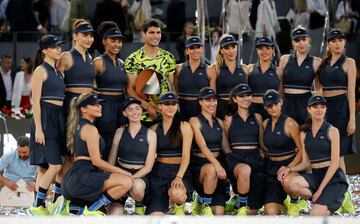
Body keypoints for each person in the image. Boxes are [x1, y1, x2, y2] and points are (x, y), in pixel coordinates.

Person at [60, 93, 133, 216]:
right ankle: (92, 210)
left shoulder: (79, 126)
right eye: (94, 104)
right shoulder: (90, 129)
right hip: (82, 179)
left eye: (99, 104)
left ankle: (78, 208)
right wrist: (123, 172)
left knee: (115, 180)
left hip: (73, 181)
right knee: (126, 181)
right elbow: (96, 161)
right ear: (83, 109)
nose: (99, 107)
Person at [279, 95, 348, 216]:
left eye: (322, 107)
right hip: (316, 175)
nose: (319, 109)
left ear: (326, 109)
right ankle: (325, 202)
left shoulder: (332, 131)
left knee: (314, 216)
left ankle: (334, 198)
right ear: (309, 109)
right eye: (315, 107)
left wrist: (319, 191)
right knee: (292, 183)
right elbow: (305, 163)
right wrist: (289, 168)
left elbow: (335, 164)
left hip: (333, 178)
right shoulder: (304, 133)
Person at [28, 34, 66, 215]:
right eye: (55, 46)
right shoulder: (40, 71)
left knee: (44, 167)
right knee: (55, 166)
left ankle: (42, 206)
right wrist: (39, 129)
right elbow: (35, 102)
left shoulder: (59, 71)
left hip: (59, 118)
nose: (59, 49)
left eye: (60, 46)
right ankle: (37, 205)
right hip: (45, 119)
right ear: (45, 50)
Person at [107, 97, 156, 215]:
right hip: (121, 172)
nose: (135, 112)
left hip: (140, 175)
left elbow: (148, 167)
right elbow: (111, 162)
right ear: (125, 113)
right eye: (130, 110)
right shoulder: (120, 132)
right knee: (114, 214)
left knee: (137, 187)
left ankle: (138, 207)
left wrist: (129, 180)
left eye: (137, 108)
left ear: (141, 110)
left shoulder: (150, 134)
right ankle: (120, 203)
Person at [316, 29, 356, 172]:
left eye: (340, 40)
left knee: (338, 155)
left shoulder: (349, 62)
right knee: (326, 152)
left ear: (345, 42)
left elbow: (351, 92)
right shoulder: (323, 64)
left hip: (341, 109)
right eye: (333, 41)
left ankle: (344, 191)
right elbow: (318, 90)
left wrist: (352, 119)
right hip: (325, 109)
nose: (337, 44)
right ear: (328, 44)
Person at [147, 92, 193, 215]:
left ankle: (179, 207)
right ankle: (165, 205)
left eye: (174, 104)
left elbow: (186, 156)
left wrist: (179, 176)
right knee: (155, 215)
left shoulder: (184, 126)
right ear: (160, 106)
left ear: (177, 107)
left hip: (179, 170)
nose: (171, 107)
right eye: (167, 104)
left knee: (177, 194)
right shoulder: (153, 129)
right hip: (159, 172)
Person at [124, 18, 176, 127]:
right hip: (142, 116)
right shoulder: (133, 59)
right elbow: (130, 89)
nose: (156, 36)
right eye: (151, 32)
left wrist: (172, 108)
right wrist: (148, 107)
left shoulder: (169, 57)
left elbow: (172, 87)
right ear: (143, 34)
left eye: (158, 32)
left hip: (166, 115)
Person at [223, 84, 265, 215]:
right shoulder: (229, 118)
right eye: (241, 96)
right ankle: (241, 206)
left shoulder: (257, 117)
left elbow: (262, 141)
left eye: (248, 95)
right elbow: (225, 142)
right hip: (236, 158)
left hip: (255, 157)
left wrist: (263, 154)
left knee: (253, 211)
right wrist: (230, 156)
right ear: (234, 99)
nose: (245, 98)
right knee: (244, 170)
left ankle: (240, 201)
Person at [189, 87, 231, 216]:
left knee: (219, 213)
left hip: (217, 163)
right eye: (208, 100)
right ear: (200, 102)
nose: (212, 103)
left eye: (214, 100)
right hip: (201, 164)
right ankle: (204, 204)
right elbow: (203, 147)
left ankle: (204, 200)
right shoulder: (194, 120)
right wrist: (217, 166)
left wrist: (232, 166)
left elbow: (226, 147)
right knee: (212, 169)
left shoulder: (219, 121)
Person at [261, 89, 302, 215]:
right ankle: (282, 201)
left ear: (281, 103)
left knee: (288, 182)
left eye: (276, 104)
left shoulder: (290, 123)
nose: (273, 108)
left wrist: (289, 168)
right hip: (272, 169)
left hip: (289, 165)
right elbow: (265, 147)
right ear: (265, 107)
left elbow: (301, 150)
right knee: (270, 212)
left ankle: (295, 201)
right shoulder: (265, 123)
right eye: (269, 105)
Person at [93, 21, 127, 160]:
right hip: (105, 108)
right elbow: (88, 87)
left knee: (118, 144)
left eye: (119, 41)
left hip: (120, 108)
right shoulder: (98, 62)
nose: (117, 44)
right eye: (113, 40)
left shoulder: (122, 63)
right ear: (104, 41)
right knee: (105, 144)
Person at [278, 26, 322, 125]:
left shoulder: (316, 62)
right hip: (287, 103)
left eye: (303, 39)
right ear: (293, 43)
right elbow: (280, 83)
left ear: (309, 40)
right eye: (297, 40)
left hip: (305, 103)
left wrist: (316, 108)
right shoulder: (284, 59)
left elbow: (318, 88)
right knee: (286, 137)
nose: (301, 43)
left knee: (305, 136)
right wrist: (280, 101)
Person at [57, 19, 95, 119]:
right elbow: (56, 84)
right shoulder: (66, 56)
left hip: (89, 106)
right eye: (85, 35)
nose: (89, 39)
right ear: (75, 36)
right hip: (72, 106)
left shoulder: (90, 58)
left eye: (91, 36)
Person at [174, 36, 216, 121]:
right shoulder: (178, 68)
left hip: (201, 108)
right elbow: (175, 91)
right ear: (186, 51)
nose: (195, 51)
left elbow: (213, 95)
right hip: (182, 108)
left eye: (198, 47)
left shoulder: (210, 70)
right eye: (192, 48)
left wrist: (212, 115)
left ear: (202, 49)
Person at [208, 34, 249, 119]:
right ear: (221, 50)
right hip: (222, 109)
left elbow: (248, 94)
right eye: (227, 48)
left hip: (240, 109)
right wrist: (212, 117)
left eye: (233, 47)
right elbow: (213, 95)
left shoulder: (244, 68)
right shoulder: (215, 69)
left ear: (237, 47)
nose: (231, 51)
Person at [248, 37, 281, 119]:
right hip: (253, 109)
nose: (264, 52)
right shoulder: (249, 69)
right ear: (257, 51)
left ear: (273, 49)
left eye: (267, 48)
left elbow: (281, 93)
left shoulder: (279, 71)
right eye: (260, 48)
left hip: (271, 110)